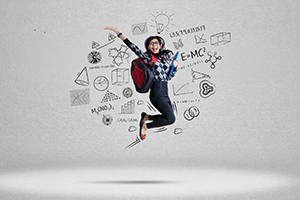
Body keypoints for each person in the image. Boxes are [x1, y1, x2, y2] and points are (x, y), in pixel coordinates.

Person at [104, 25, 178, 141]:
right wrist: (118, 33)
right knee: (171, 119)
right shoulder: (148, 58)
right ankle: (146, 125)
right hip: (157, 93)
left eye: (156, 43)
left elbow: (168, 77)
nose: (154, 45)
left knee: (169, 117)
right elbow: (133, 48)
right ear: (148, 47)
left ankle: (146, 117)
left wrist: (174, 68)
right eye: (151, 44)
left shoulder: (163, 61)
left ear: (160, 45)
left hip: (165, 91)